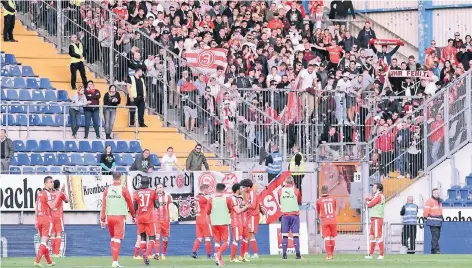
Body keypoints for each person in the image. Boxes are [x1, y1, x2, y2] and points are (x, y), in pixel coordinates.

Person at [100, 172, 136, 268]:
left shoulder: (107, 190)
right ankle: (115, 262)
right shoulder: (124, 190)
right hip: (119, 217)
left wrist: (102, 219)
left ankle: (114, 261)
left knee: (113, 238)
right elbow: (130, 204)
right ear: (120, 178)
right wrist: (134, 215)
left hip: (110, 217)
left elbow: (104, 205)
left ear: (112, 179)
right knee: (117, 239)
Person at [34, 176, 64, 267]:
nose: (52, 183)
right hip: (46, 219)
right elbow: (52, 206)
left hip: (39, 218)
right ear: (46, 183)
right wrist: (58, 195)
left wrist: (35, 221)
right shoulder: (47, 194)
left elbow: (36, 208)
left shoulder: (39, 193)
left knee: (45, 243)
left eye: (52, 182)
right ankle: (37, 261)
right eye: (50, 182)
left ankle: (49, 262)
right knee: (44, 241)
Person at [206, 183, 235, 266]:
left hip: (214, 223)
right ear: (223, 190)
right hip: (224, 223)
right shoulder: (227, 198)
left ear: (216, 189)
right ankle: (218, 254)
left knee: (217, 242)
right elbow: (231, 209)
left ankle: (219, 261)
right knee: (227, 242)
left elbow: (207, 212)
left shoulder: (211, 199)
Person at [133, 176, 159, 266]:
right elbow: (157, 205)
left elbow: (134, 207)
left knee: (143, 238)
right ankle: (147, 256)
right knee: (152, 238)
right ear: (148, 183)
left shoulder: (136, 193)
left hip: (140, 218)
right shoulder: (153, 192)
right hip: (149, 218)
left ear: (141, 183)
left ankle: (144, 257)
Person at [278, 176, 302, 260]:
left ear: (284, 182)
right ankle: (298, 254)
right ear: (292, 182)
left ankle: (284, 255)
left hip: (285, 215)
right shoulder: (296, 190)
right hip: (294, 215)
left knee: (285, 235)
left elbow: (280, 201)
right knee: (295, 235)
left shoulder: (280, 191)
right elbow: (299, 201)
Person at [230, 183, 251, 263]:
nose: (242, 190)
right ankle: (232, 258)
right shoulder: (232, 198)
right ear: (238, 190)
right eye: (241, 189)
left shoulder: (239, 198)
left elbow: (244, 203)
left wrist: (245, 199)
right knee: (236, 239)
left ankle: (241, 257)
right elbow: (238, 210)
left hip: (243, 221)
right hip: (236, 221)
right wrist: (246, 207)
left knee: (246, 238)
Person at [316, 185, 338, 260]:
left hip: (325, 220)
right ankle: (331, 254)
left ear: (321, 191)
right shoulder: (333, 198)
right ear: (328, 191)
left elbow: (318, 211)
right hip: (333, 220)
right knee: (332, 237)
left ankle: (329, 255)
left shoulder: (319, 200)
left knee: (327, 238)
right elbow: (334, 208)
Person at [239, 179, 260, 259]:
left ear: (248, 187)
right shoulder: (247, 193)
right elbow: (246, 202)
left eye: (244, 187)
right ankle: (246, 253)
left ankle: (255, 254)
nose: (243, 189)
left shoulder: (252, 193)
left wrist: (245, 206)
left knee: (251, 234)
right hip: (248, 215)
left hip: (253, 215)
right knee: (247, 235)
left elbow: (253, 205)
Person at [191, 184, 213, 259]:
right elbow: (211, 204)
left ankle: (194, 252)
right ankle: (209, 255)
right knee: (207, 238)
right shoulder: (205, 198)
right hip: (205, 220)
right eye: (207, 189)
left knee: (199, 237)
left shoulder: (196, 197)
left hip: (198, 219)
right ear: (204, 189)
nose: (208, 191)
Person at [365, 183, 385, 260]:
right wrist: (369, 199)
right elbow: (372, 201)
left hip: (377, 218)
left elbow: (369, 205)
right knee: (372, 236)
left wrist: (367, 200)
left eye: (374, 187)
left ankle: (381, 254)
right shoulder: (378, 196)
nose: (373, 188)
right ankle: (370, 254)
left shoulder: (379, 196)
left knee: (378, 236)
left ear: (378, 188)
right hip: (374, 218)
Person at [153, 183, 172, 260]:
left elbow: (170, 207)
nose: (160, 189)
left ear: (163, 188)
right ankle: (157, 254)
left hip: (165, 221)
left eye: (161, 187)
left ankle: (163, 254)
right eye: (158, 188)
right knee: (156, 237)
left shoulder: (168, 196)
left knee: (165, 238)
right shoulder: (153, 196)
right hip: (156, 220)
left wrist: (171, 216)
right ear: (156, 189)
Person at [50, 180, 69, 258]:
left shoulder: (50, 193)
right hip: (58, 216)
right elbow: (67, 200)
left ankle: (53, 253)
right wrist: (64, 191)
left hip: (51, 217)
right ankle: (57, 254)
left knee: (52, 235)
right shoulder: (60, 193)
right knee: (58, 234)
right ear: (59, 186)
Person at [423, 188, 443, 254]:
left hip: (438, 222)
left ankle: (433, 251)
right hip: (433, 222)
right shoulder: (430, 201)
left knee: (437, 236)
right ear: (433, 194)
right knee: (435, 236)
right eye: (437, 193)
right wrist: (425, 217)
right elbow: (426, 211)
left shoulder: (439, 201)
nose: (438, 194)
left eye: (438, 193)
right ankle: (436, 250)